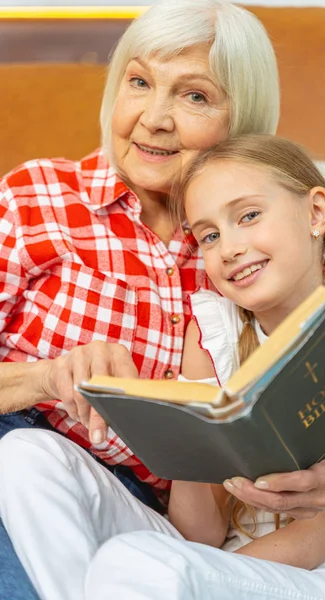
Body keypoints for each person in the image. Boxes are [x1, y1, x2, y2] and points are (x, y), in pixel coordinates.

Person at [1, 134, 325, 600]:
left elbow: (312, 542)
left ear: (315, 212)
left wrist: (189, 571)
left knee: (134, 561)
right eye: (209, 235)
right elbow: (199, 534)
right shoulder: (210, 329)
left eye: (248, 216)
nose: (228, 248)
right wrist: (183, 438)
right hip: (220, 562)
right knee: (25, 454)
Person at [0, 0, 280, 595]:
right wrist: (49, 378)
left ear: (243, 119)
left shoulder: (254, 247)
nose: (154, 118)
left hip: (139, 508)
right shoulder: (36, 197)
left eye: (195, 95)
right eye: (139, 82)